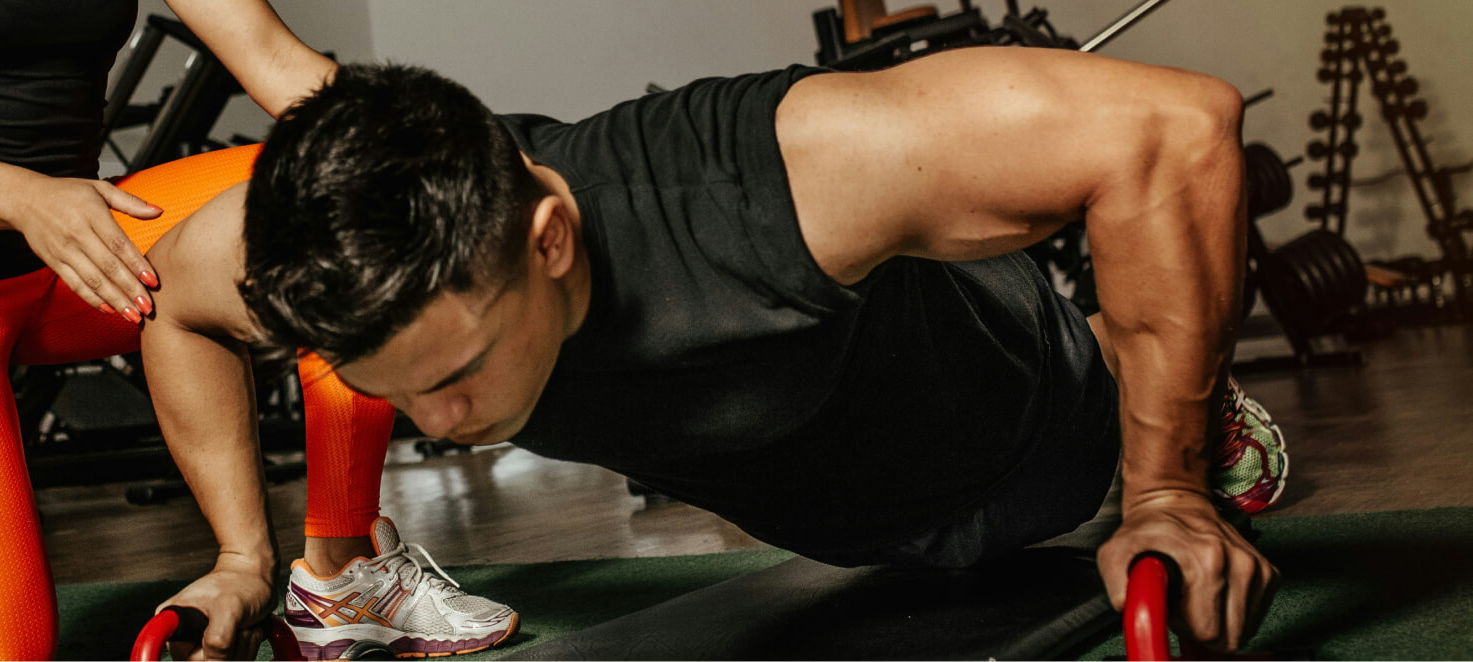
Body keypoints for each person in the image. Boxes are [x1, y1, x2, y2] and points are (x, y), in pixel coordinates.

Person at [140, 51, 1291, 654]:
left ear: (549, 239)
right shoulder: (328, 257)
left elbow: (1173, 127)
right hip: (843, 523)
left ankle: (1201, 419)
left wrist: (1169, 489)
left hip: (1039, 426)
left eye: (457, 375)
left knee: (1111, 421)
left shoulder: (773, 178)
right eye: (393, 391)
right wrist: (246, 556)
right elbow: (169, 301)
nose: (437, 425)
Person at [0, 2, 515, 660]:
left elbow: (272, 56)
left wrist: (453, 152)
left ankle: (340, 580)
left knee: (344, 190)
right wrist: (24, 196)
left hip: (79, 249)